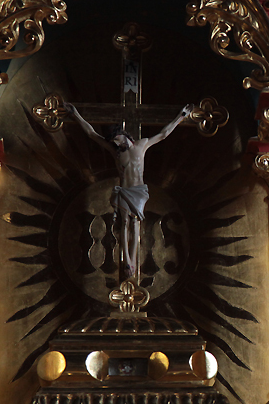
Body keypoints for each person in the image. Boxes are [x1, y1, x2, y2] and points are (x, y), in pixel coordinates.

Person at [65, 102, 194, 278]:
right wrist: (75, 115)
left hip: (139, 191)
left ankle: (133, 259)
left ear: (124, 135)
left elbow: (163, 134)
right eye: (114, 142)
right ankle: (127, 261)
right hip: (125, 190)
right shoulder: (116, 152)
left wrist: (181, 116)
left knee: (135, 224)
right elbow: (91, 134)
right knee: (125, 224)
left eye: (118, 140)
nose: (117, 144)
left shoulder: (142, 145)